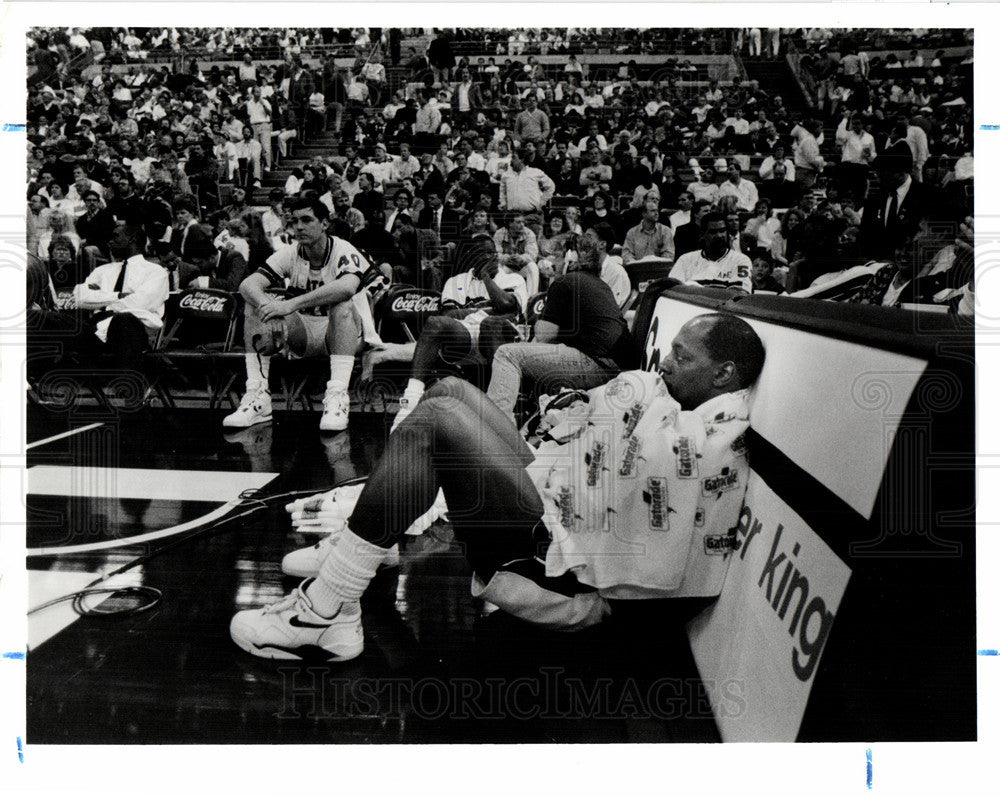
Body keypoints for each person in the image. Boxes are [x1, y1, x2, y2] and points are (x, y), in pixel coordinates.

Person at [229, 312, 765, 660]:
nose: (665, 363)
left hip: (567, 576)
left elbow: (648, 535)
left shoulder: (713, 437)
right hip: (557, 517)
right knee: (452, 389)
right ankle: (371, 547)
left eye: (682, 357)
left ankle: (327, 612)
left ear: (724, 375)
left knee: (434, 426)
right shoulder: (685, 405)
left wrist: (633, 401)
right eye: (669, 350)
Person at [222, 195, 386, 433]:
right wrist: (271, 308)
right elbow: (248, 284)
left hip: (347, 335)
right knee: (254, 305)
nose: (299, 227)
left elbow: (347, 287)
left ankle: (337, 399)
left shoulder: (343, 249)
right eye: (294, 221)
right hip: (305, 334)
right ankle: (258, 396)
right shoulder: (291, 252)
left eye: (307, 220)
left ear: (324, 224)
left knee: (341, 304)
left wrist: (289, 305)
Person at [486, 230, 637, 422]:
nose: (551, 262)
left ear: (571, 258)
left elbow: (544, 335)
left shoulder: (565, 282)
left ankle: (495, 428)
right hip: (619, 367)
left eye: (557, 257)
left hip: (596, 364)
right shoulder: (601, 285)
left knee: (507, 354)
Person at [390, 237, 528, 428]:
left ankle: (500, 412)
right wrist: (484, 310)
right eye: (485, 254)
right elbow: (449, 315)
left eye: (493, 252)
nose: (492, 257)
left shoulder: (514, 278)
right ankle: (410, 400)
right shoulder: (455, 282)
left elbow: (506, 306)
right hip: (468, 335)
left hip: (504, 337)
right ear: (471, 257)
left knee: (490, 324)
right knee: (435, 323)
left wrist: (486, 277)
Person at [669, 212, 753, 293]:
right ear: (702, 234)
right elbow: (672, 291)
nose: (719, 236)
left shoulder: (741, 260)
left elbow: (739, 295)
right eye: (713, 232)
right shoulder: (685, 259)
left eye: (722, 231)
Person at [622, 191, 675, 265]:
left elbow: (669, 254)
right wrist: (636, 264)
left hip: (659, 270)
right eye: (653, 211)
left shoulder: (665, 231)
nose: (656, 213)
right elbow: (627, 254)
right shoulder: (632, 232)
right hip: (638, 270)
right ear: (644, 214)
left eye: (657, 211)